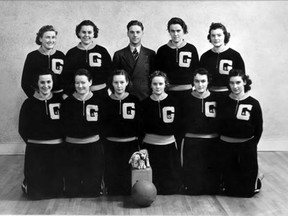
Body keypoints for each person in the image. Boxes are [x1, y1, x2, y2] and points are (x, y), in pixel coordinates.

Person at [19, 68, 65, 199]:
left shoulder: (60, 101)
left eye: (48, 82)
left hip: (56, 150)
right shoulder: (28, 104)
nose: (46, 86)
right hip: (36, 151)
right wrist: (35, 144)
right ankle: (28, 183)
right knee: (35, 194)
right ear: (37, 84)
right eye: (42, 82)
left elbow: (66, 124)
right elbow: (22, 128)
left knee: (56, 192)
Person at [155, 17, 199, 150]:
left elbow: (196, 73)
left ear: (184, 31)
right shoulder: (162, 50)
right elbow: (158, 74)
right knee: (169, 125)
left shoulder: (191, 49)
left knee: (185, 126)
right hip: (168, 95)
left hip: (187, 94)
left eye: (178, 30)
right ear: (168, 31)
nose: (175, 34)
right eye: (172, 31)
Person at [218, 69, 263, 197]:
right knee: (229, 191)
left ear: (244, 82)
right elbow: (218, 125)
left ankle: (256, 180)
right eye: (232, 83)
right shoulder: (223, 101)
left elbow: (258, 128)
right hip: (226, 146)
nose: (235, 86)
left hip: (245, 147)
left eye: (238, 82)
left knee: (247, 193)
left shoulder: (253, 103)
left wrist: (251, 145)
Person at [61, 68, 105, 197]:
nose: (80, 86)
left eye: (83, 82)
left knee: (92, 191)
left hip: (92, 146)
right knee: (72, 192)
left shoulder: (99, 101)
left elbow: (104, 124)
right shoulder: (67, 102)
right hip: (72, 147)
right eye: (77, 83)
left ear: (90, 82)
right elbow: (62, 125)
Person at [141, 71, 181, 195]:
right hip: (150, 145)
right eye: (155, 84)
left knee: (169, 185)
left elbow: (179, 125)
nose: (158, 87)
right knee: (152, 183)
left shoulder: (174, 101)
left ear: (166, 84)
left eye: (160, 83)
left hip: (169, 145)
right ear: (150, 85)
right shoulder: (144, 103)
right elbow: (140, 127)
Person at [181, 68, 220, 195]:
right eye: (197, 81)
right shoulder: (185, 99)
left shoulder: (217, 99)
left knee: (212, 187)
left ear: (208, 82)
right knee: (193, 188)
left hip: (211, 142)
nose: (200, 84)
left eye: (203, 81)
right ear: (193, 82)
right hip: (192, 142)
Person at [103, 69, 141, 195]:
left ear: (127, 83)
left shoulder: (135, 100)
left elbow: (140, 124)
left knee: (129, 177)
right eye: (116, 82)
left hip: (130, 145)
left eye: (121, 82)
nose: (119, 86)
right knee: (113, 176)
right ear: (111, 84)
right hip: (111, 146)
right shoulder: (105, 102)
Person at [63, 20, 112, 99]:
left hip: (100, 94)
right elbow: (66, 77)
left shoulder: (102, 51)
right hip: (78, 94)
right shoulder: (71, 53)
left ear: (94, 33)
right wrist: (67, 93)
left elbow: (110, 73)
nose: (86, 35)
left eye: (89, 32)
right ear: (78, 33)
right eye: (83, 32)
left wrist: (109, 90)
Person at [113, 20, 156, 101]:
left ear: (142, 33)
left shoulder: (151, 54)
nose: (135, 35)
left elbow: (154, 77)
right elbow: (113, 79)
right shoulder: (119, 54)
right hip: (125, 96)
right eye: (132, 32)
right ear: (128, 34)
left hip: (145, 96)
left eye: (138, 32)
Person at [200, 23, 245, 99]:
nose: (216, 38)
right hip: (209, 96)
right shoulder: (205, 56)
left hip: (230, 96)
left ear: (225, 36)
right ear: (210, 37)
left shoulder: (235, 56)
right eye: (213, 35)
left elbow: (241, 79)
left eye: (219, 35)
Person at [21, 25, 65, 98]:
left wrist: (64, 96)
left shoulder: (61, 56)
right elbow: (25, 83)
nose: (51, 40)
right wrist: (35, 97)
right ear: (40, 39)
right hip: (39, 97)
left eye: (53, 37)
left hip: (58, 98)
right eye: (47, 37)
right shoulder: (32, 56)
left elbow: (67, 79)